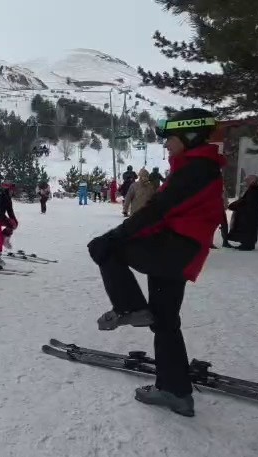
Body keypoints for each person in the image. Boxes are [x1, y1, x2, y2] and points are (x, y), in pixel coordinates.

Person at [86, 108, 225, 417]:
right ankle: (175, 393)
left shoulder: (196, 169)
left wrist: (112, 237)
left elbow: (156, 210)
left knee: (106, 250)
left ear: (189, 136)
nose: (166, 145)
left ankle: (132, 308)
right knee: (164, 321)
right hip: (178, 251)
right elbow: (164, 212)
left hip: (174, 249)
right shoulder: (196, 166)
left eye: (170, 138)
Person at [227, 175, 258, 251]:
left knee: (248, 229)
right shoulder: (254, 189)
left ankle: (247, 244)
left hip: (249, 214)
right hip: (250, 213)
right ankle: (247, 243)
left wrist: (235, 205)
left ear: (252, 181)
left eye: (247, 180)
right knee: (248, 229)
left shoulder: (254, 190)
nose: (246, 182)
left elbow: (247, 202)